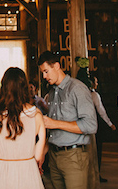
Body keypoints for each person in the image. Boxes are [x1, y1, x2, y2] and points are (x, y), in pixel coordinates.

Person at [38, 51, 97, 189]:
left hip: (73, 156)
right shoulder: (52, 93)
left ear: (57, 66)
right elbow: (52, 130)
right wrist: (43, 152)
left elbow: (91, 125)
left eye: (46, 71)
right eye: (42, 72)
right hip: (53, 156)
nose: (44, 76)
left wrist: (54, 123)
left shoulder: (77, 88)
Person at [0, 67, 45, 189]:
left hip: (1, 173)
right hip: (28, 173)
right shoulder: (36, 114)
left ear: (3, 86)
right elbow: (38, 156)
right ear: (25, 87)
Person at [91, 76, 116, 183]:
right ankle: (97, 174)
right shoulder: (94, 95)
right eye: (96, 82)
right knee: (97, 151)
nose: (97, 84)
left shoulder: (82, 93)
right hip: (96, 126)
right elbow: (101, 111)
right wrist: (110, 124)